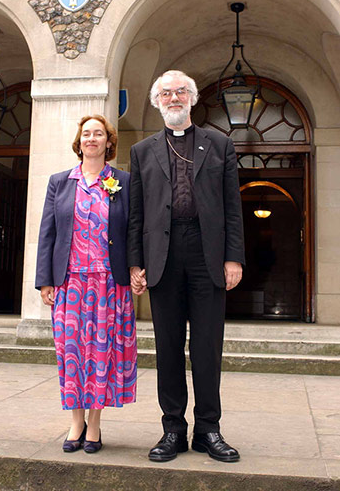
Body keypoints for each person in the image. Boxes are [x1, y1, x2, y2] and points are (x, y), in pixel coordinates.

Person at [128, 70, 245, 463]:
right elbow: (136, 214)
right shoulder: (142, 151)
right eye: (165, 93)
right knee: (168, 348)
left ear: (192, 99)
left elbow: (232, 207)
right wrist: (135, 264)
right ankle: (173, 430)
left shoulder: (219, 144)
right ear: (156, 100)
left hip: (206, 253)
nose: (173, 98)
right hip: (162, 254)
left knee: (208, 347)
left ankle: (208, 429)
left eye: (180, 92)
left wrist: (233, 257)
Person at [36, 114, 137, 454]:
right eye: (87, 134)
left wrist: (137, 267)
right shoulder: (60, 182)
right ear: (79, 142)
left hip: (110, 283)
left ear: (109, 142)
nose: (92, 138)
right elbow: (47, 232)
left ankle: (94, 424)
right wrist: (45, 281)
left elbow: (133, 230)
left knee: (101, 354)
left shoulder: (123, 181)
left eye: (99, 134)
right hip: (70, 282)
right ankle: (75, 420)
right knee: (72, 353)